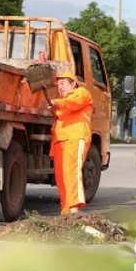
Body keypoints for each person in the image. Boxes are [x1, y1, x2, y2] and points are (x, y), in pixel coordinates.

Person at [48, 71, 93, 215]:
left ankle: (74, 209)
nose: (60, 87)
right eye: (58, 85)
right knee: (61, 177)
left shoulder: (82, 93)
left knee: (71, 173)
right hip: (60, 142)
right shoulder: (63, 103)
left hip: (75, 138)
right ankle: (66, 210)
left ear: (73, 83)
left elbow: (73, 103)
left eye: (63, 83)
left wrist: (56, 103)